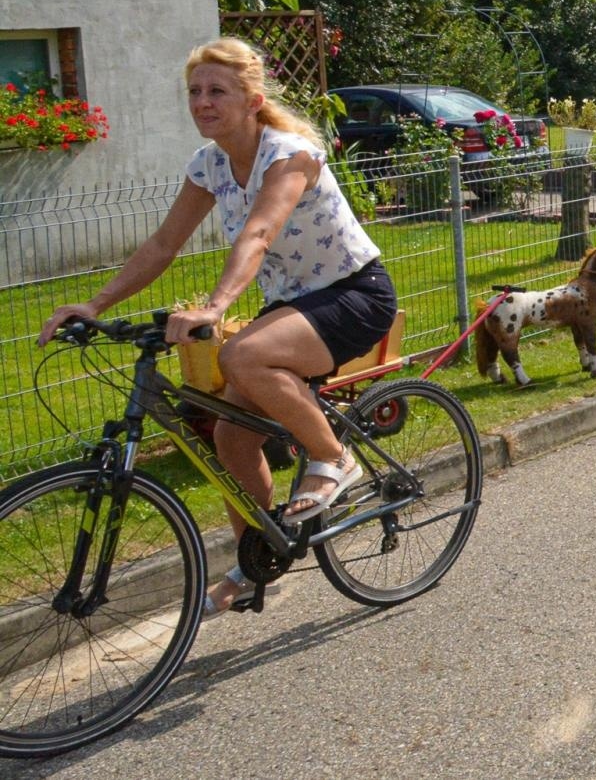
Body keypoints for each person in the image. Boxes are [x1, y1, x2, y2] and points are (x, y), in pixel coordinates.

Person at [37, 38, 397, 617]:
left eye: (217, 91)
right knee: (230, 437)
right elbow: (161, 245)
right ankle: (258, 561)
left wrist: (214, 307)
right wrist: (94, 304)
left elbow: (257, 234)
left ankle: (334, 457)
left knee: (243, 357)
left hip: (355, 295)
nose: (203, 103)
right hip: (292, 306)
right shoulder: (209, 165)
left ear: (253, 100)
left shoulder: (290, 154)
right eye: (195, 92)